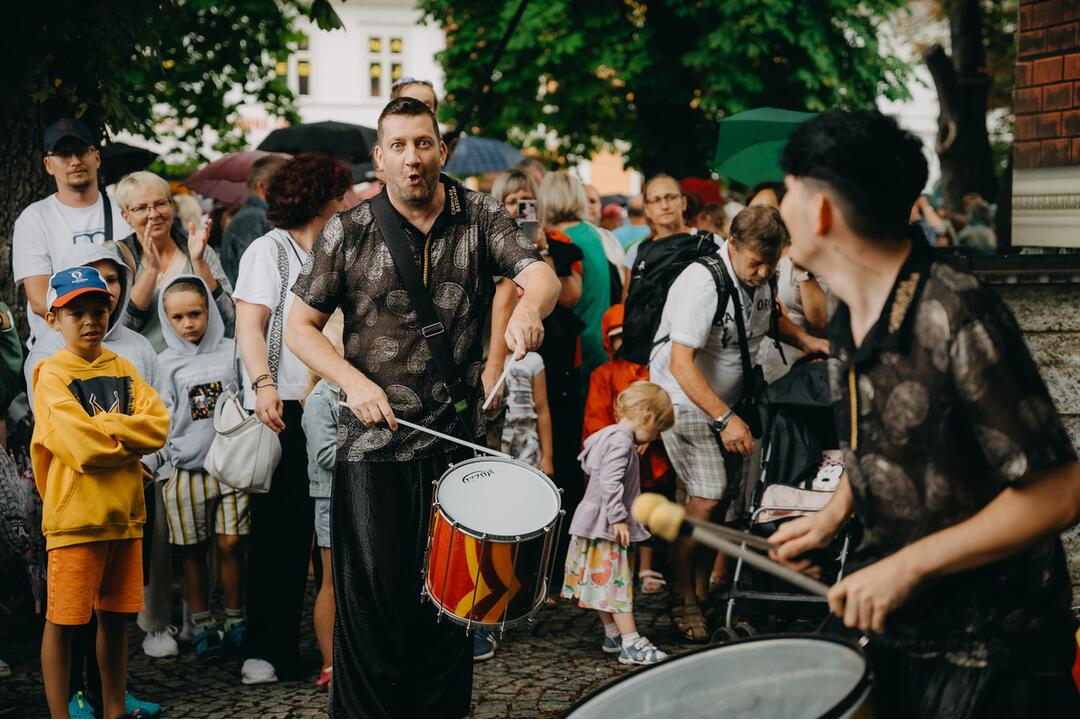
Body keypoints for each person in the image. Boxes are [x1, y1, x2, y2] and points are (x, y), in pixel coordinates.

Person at [771, 109, 1080, 717]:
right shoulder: (847, 313)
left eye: (789, 191)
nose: (781, 207)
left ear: (823, 210)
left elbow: (1061, 491)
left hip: (991, 649)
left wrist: (906, 566)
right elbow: (885, 438)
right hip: (903, 626)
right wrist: (832, 515)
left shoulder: (955, 309)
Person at [285, 96, 559, 717]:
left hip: (456, 446)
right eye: (399, 147)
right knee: (373, 611)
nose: (413, 158)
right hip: (374, 444)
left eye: (423, 144)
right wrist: (350, 381)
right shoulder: (348, 231)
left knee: (450, 613)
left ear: (441, 150)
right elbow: (299, 328)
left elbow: (535, 272)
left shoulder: (479, 213)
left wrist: (525, 308)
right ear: (379, 160)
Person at [649, 205, 828, 642]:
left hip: (727, 401)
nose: (763, 271)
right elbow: (682, 364)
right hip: (683, 397)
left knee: (728, 506)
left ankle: (704, 587)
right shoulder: (701, 283)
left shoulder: (760, 276)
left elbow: (771, 318)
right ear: (731, 246)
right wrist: (725, 419)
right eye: (755, 262)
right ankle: (682, 595)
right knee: (707, 498)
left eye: (772, 264)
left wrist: (810, 341)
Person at [23, 240, 177, 691]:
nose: (90, 321)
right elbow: (82, 450)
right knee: (65, 621)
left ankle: (113, 708)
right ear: (53, 319)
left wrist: (106, 426)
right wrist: (125, 436)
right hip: (75, 522)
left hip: (126, 518)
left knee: (115, 622)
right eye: (76, 313)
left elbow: (158, 428)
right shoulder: (50, 373)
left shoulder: (124, 367)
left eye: (99, 310)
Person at [233, 153, 352, 685]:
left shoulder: (344, 248)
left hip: (334, 402)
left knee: (329, 535)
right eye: (338, 195)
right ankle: (266, 648)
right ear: (316, 198)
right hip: (284, 404)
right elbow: (250, 325)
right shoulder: (269, 250)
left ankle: (333, 648)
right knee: (280, 532)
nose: (345, 203)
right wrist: (262, 385)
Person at [153, 275, 248, 664]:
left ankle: (236, 618)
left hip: (231, 466)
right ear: (166, 319)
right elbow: (160, 416)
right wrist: (163, 458)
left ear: (209, 310)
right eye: (178, 317)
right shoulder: (163, 363)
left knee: (232, 543)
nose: (188, 323)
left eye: (195, 313)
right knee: (192, 551)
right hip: (186, 470)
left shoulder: (231, 352)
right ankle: (203, 622)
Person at [562, 381, 674, 665]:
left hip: (591, 523)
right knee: (617, 585)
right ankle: (631, 643)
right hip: (608, 526)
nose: (655, 436)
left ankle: (613, 633)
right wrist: (619, 518)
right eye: (657, 430)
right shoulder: (622, 442)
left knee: (603, 584)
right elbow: (610, 483)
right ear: (647, 418)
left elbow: (587, 464)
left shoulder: (608, 435)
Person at [13, 118, 133, 348]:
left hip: (121, 345)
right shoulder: (34, 218)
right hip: (58, 350)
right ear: (48, 164)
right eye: (64, 155)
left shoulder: (123, 210)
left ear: (96, 157)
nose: (75, 161)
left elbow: (135, 281)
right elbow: (39, 299)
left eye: (81, 152)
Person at [583, 304, 673, 594]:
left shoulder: (649, 370)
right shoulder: (603, 373)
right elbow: (596, 416)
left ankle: (647, 565)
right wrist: (623, 440)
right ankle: (620, 566)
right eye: (616, 335)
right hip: (620, 453)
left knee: (646, 505)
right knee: (619, 502)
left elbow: (656, 413)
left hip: (647, 457)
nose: (623, 340)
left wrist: (648, 439)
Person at [116, 171, 234, 353]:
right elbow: (121, 328)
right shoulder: (118, 257)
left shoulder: (197, 249)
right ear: (125, 216)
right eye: (141, 208)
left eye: (160, 204)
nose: (153, 214)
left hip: (199, 369)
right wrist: (151, 271)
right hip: (145, 371)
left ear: (172, 206)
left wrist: (198, 262)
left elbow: (228, 317)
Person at [300, 312, 345, 690]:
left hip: (359, 498)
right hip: (331, 500)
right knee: (331, 582)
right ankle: (331, 663)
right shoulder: (320, 399)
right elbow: (325, 456)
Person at [540, 172, 616, 389]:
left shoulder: (561, 239)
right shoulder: (591, 233)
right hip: (600, 335)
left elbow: (567, 296)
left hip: (578, 344)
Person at [220, 155, 288, 285]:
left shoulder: (254, 215)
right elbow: (256, 276)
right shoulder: (252, 218)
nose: (288, 188)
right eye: (282, 182)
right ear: (263, 186)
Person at [500, 350, 553, 474]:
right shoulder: (486, 361)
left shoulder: (533, 360)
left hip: (528, 446)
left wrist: (547, 458)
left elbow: (542, 410)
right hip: (498, 444)